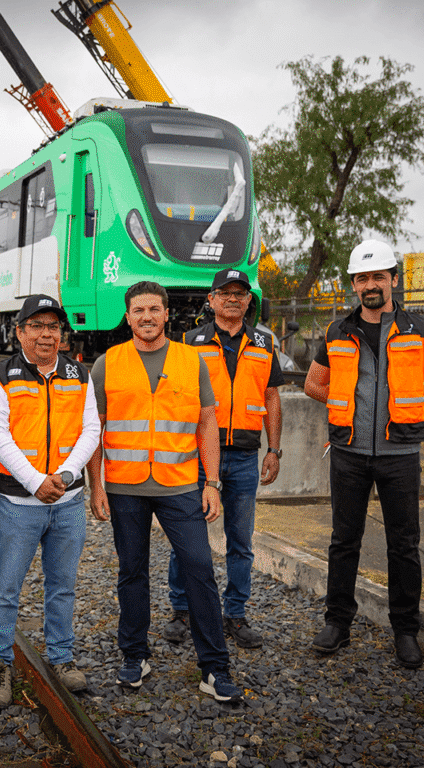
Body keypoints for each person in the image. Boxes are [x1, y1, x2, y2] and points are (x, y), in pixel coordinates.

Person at [87, 281, 244, 703]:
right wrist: (96, 486)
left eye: (154, 309)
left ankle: (214, 667)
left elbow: (207, 422)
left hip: (179, 486)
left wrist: (212, 482)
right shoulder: (107, 363)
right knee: (131, 571)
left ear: (166, 313)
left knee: (199, 569)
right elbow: (93, 431)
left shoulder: (191, 361)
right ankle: (135, 655)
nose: (146, 318)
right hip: (125, 488)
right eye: (138, 310)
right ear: (127, 316)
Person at [303, 240, 424, 669]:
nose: (370, 284)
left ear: (392, 279)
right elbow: (314, 384)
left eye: (377, 277)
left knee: (403, 545)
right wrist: (344, 405)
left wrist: (405, 409)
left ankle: (406, 632)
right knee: (343, 541)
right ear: (354, 284)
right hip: (348, 452)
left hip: (400, 453)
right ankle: (337, 623)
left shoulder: (419, 327)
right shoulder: (338, 331)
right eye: (362, 278)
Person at [0, 295, 101, 708]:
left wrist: (66, 477)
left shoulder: (78, 374)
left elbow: (91, 430)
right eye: (36, 326)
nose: (46, 334)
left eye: (53, 327)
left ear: (61, 334)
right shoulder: (1, 376)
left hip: (68, 503)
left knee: (63, 586)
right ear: (19, 332)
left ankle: (62, 657)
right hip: (18, 503)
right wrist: (35, 481)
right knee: (5, 589)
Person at [162, 268, 284, 649]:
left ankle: (235, 614)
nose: (233, 299)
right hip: (198, 456)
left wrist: (274, 449)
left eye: (240, 293)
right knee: (187, 535)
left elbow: (272, 398)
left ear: (249, 301)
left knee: (240, 540)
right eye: (225, 293)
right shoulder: (188, 342)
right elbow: (175, 398)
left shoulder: (265, 343)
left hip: (247, 457)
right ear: (211, 300)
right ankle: (182, 610)